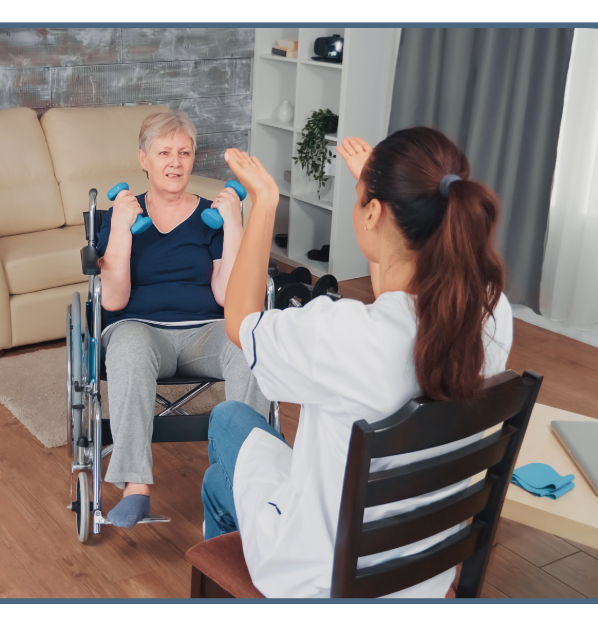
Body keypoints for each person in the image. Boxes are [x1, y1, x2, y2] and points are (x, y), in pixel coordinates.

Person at [206, 127, 513, 598]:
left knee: (227, 422)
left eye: (360, 199)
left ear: (373, 213)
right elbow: (396, 289)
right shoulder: (492, 311)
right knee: (224, 476)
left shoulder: (343, 333)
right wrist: (379, 190)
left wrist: (264, 202)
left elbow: (241, 323)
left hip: (327, 578)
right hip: (425, 574)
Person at [95, 111, 270, 528]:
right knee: (130, 346)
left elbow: (227, 297)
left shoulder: (213, 217)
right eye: (164, 153)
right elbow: (114, 300)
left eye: (184, 153)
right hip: (140, 329)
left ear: (193, 159)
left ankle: (250, 480)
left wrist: (233, 226)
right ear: (144, 159)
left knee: (250, 341)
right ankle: (136, 488)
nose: (175, 162)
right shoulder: (119, 217)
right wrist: (120, 229)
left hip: (206, 332)